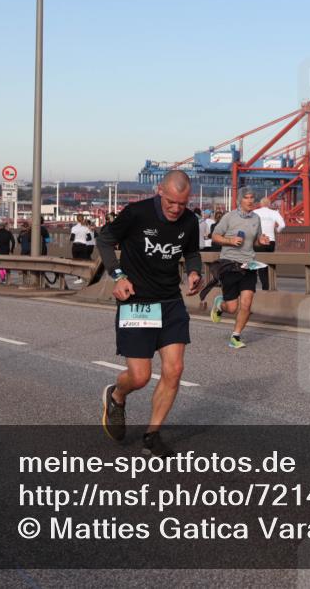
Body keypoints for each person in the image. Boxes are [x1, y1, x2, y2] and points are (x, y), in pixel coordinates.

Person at [96, 170, 202, 456]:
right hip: (137, 301)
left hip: (170, 302)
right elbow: (104, 240)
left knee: (175, 369)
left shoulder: (190, 221)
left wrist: (194, 271)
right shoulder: (136, 214)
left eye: (182, 203)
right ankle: (117, 396)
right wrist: (118, 276)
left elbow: (192, 252)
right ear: (159, 191)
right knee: (140, 377)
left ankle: (152, 436)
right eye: (171, 202)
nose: (176, 209)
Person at [209, 187, 271, 348]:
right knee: (231, 307)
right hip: (230, 264)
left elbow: (256, 241)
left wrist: (261, 242)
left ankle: (235, 336)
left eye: (252, 198)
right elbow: (215, 236)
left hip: (249, 265)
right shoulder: (229, 217)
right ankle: (220, 304)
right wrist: (230, 241)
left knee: (246, 303)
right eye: (247, 198)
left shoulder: (256, 218)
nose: (250, 201)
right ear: (240, 200)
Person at [253, 197, 286, 290]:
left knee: (259, 264)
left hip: (259, 241)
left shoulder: (255, 212)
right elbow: (282, 225)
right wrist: (277, 230)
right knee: (269, 263)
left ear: (260, 204)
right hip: (271, 240)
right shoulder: (274, 213)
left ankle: (263, 286)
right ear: (269, 204)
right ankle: (269, 285)